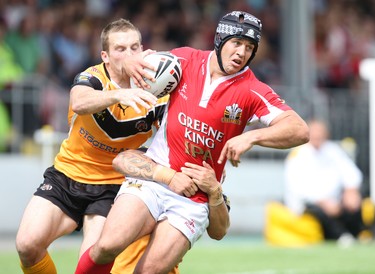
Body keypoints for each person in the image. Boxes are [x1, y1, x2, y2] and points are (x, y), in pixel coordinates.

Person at [75, 11, 309, 274]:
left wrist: (251, 136)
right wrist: (133, 63)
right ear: (220, 39)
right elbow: (139, 60)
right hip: (156, 176)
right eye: (236, 43)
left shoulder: (252, 90)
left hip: (194, 197)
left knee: (148, 272)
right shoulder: (185, 59)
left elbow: (299, 129)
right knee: (107, 245)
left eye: (249, 47)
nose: (241, 53)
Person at [15, 18, 229, 274]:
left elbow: (186, 121)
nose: (129, 54)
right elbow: (80, 101)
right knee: (27, 245)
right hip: (68, 175)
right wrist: (120, 94)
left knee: (94, 255)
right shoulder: (94, 77)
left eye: (134, 47)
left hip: (115, 185)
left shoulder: (158, 87)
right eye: (120, 49)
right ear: (105, 55)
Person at [283, 119, 365, 243]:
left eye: (320, 133)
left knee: (354, 203)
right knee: (320, 212)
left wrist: (351, 190)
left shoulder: (333, 151)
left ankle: (357, 235)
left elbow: (351, 173)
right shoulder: (298, 154)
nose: (317, 137)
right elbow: (296, 187)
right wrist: (322, 201)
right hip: (310, 203)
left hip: (334, 201)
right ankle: (341, 237)